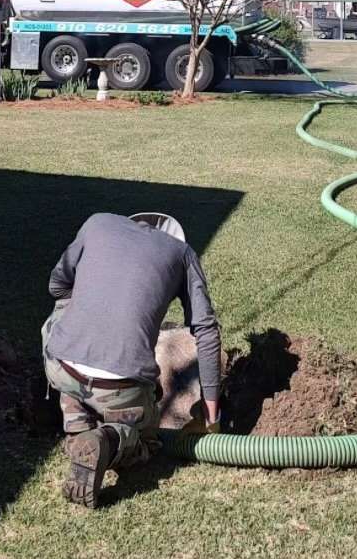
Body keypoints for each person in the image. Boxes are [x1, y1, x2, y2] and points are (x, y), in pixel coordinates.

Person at [42, 210, 222, 508]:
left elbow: (57, 286)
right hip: (120, 385)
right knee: (147, 442)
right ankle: (109, 441)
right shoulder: (182, 253)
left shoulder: (97, 222)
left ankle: (77, 428)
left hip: (60, 366)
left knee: (64, 310)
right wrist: (211, 416)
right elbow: (206, 331)